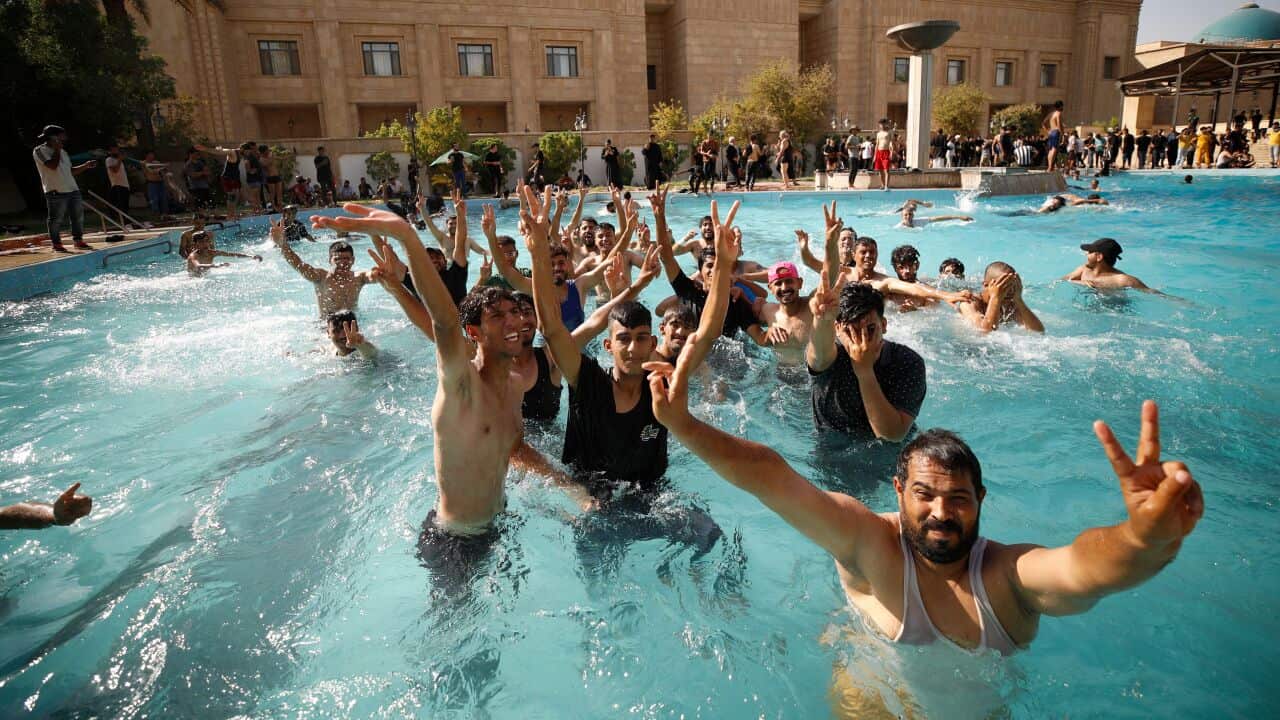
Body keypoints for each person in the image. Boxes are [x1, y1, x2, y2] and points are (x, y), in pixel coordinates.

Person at [646, 348, 1204, 657]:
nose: (941, 512)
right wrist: (686, 426)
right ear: (897, 492)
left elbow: (1087, 569)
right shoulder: (869, 545)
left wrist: (1145, 538)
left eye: (958, 498)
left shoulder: (1007, 577)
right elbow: (773, 477)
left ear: (981, 501)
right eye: (925, 494)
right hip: (869, 693)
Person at [313, 204, 589, 593]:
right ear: (474, 333)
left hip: (499, 522)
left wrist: (571, 489)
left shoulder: (512, 387)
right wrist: (407, 238)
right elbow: (443, 322)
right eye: (499, 317)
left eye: (515, 312)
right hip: (454, 541)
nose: (515, 322)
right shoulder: (462, 383)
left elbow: (515, 448)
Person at [528, 184, 730, 540]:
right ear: (608, 345)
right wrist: (538, 253)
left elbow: (708, 332)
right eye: (623, 339)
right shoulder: (585, 379)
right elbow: (551, 327)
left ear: (653, 341)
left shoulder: (663, 385)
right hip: (594, 499)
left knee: (709, 534)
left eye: (641, 338)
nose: (633, 348)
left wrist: (724, 266)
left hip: (651, 496)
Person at [805, 274, 926, 444]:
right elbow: (817, 355)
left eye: (870, 329)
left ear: (883, 325)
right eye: (851, 332)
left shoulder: (908, 362)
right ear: (837, 329)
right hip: (832, 452)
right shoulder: (831, 355)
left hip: (888, 455)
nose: (862, 343)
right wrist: (822, 319)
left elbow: (892, 435)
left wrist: (864, 371)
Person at [274, 219, 372, 317]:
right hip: (327, 326)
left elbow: (378, 275)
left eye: (346, 258)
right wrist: (283, 245)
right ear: (330, 260)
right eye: (337, 259)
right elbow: (298, 265)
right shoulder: (321, 277)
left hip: (353, 325)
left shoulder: (360, 277)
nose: (342, 262)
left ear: (353, 260)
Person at [32, 125, 97, 252]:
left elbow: (70, 171)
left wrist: (85, 166)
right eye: (62, 135)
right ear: (54, 137)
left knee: (78, 217)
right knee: (56, 219)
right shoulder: (39, 150)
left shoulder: (63, 151)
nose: (65, 137)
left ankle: (78, 241)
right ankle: (56, 244)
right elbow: (52, 166)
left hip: (72, 189)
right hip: (55, 191)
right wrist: (56, 150)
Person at [954, 262, 1045, 333]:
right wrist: (995, 297)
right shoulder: (969, 302)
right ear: (986, 285)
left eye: (1012, 286)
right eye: (1003, 286)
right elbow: (984, 332)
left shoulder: (1010, 303)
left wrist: (1019, 299)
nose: (1009, 292)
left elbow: (1038, 332)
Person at [754, 260, 813, 365]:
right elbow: (747, 322)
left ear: (800, 283)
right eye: (778, 283)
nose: (784, 288)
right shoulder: (767, 310)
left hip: (811, 373)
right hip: (780, 373)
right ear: (770, 288)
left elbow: (830, 281)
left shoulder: (812, 305)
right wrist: (768, 334)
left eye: (789, 281)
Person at [1063, 238, 1154, 292]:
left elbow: (1151, 292)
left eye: (1090, 252)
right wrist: (1080, 282)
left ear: (1099, 257)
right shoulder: (1083, 270)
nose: (1086, 254)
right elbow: (1061, 281)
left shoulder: (1122, 279)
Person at [0, 483, 92, 530]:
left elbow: (59, 519)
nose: (67, 501)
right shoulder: (57, 510)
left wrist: (59, 512)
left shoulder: (64, 517)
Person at [185, 229, 262, 276]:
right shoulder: (193, 256)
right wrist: (215, 265)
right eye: (201, 242)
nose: (205, 244)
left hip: (204, 277)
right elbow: (198, 266)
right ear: (195, 244)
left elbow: (231, 254)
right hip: (193, 280)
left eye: (207, 241)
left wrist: (251, 256)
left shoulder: (212, 253)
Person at [897, 199, 972, 228]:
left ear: (913, 215)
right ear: (901, 216)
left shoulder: (919, 221)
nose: (908, 216)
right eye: (905, 215)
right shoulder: (899, 227)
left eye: (910, 214)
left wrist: (959, 217)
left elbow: (938, 218)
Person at [259, 144, 283, 210]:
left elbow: (280, 158)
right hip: (270, 177)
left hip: (277, 176)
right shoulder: (261, 159)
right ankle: (274, 207)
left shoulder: (271, 155)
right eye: (267, 150)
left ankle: (280, 205)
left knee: (279, 192)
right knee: (272, 193)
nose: (268, 151)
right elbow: (267, 164)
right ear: (263, 151)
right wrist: (271, 157)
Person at [1037, 193, 1109, 213]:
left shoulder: (1077, 198)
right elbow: (1081, 201)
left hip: (1057, 199)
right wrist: (1098, 200)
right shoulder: (1082, 200)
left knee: (1042, 212)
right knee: (1042, 212)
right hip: (1058, 200)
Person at [874, 119, 893, 190]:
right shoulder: (878, 134)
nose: (882, 125)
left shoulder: (889, 133)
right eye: (880, 124)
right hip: (879, 152)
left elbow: (891, 143)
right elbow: (877, 144)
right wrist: (874, 155)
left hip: (886, 152)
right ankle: (882, 184)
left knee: (886, 170)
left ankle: (886, 186)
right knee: (880, 170)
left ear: (885, 124)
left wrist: (891, 153)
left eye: (883, 124)